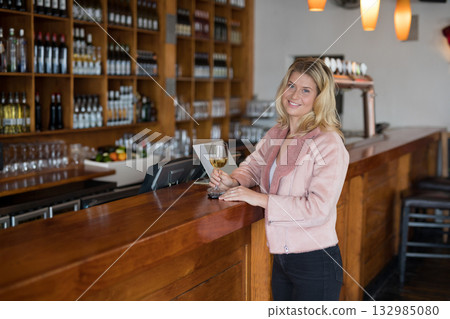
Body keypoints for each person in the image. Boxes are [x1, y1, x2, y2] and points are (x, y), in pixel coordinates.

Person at [209, 57, 349, 301]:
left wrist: (259, 199)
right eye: (291, 85)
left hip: (315, 260)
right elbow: (253, 166)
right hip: (282, 258)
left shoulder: (329, 143)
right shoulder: (277, 132)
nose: (294, 95)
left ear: (319, 98)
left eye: (306, 90)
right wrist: (234, 181)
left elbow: (318, 209)